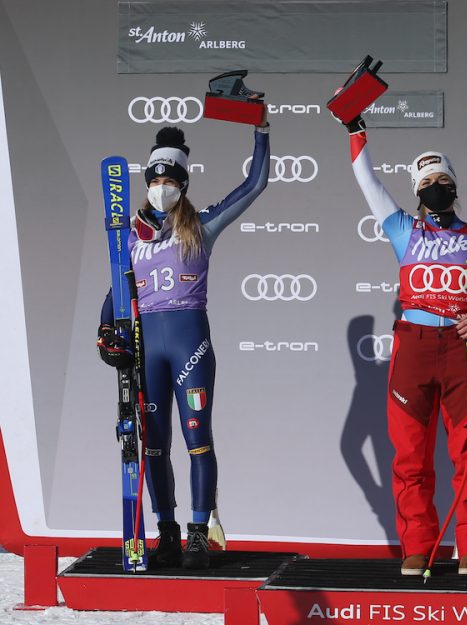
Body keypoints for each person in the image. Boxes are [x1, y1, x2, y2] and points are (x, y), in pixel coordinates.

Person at [338, 114, 467, 575]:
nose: (435, 187)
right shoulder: (404, 230)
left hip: (462, 348)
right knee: (411, 457)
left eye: (443, 180)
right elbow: (366, 179)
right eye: (427, 182)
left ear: (457, 188)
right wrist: (355, 130)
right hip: (414, 349)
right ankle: (417, 547)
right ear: (417, 191)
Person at [96, 119, 270, 569]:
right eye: (154, 180)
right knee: (153, 444)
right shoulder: (132, 236)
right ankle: (166, 532)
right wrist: (104, 334)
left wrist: (262, 130)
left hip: (191, 345)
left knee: (198, 440)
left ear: (182, 183)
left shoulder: (201, 225)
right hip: (148, 347)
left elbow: (254, 185)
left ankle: (198, 533)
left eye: (169, 180)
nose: (160, 187)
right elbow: (118, 289)